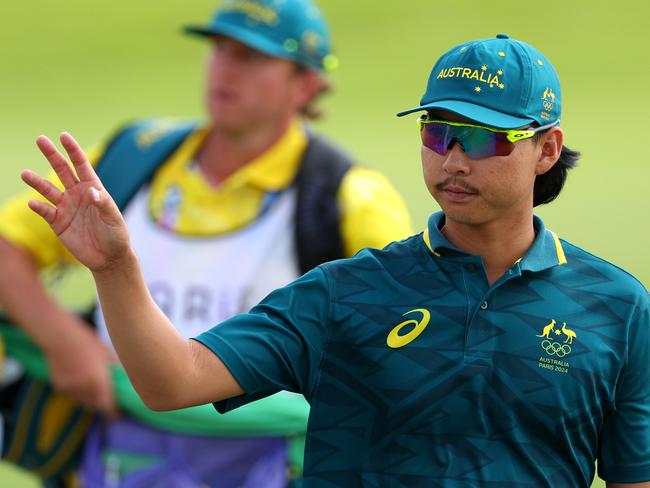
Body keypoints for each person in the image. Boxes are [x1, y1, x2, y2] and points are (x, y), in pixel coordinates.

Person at [20, 33, 649, 487]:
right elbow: (171, 381)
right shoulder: (346, 292)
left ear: (546, 150)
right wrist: (114, 268)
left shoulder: (617, 309)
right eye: (438, 131)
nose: (454, 159)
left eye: (485, 137)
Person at [0, 0, 413, 486]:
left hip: (277, 461)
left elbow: (416, 327)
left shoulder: (350, 195)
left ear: (307, 84)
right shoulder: (132, 157)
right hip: (117, 443)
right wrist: (64, 340)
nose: (226, 69)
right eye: (219, 49)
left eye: (252, 56)